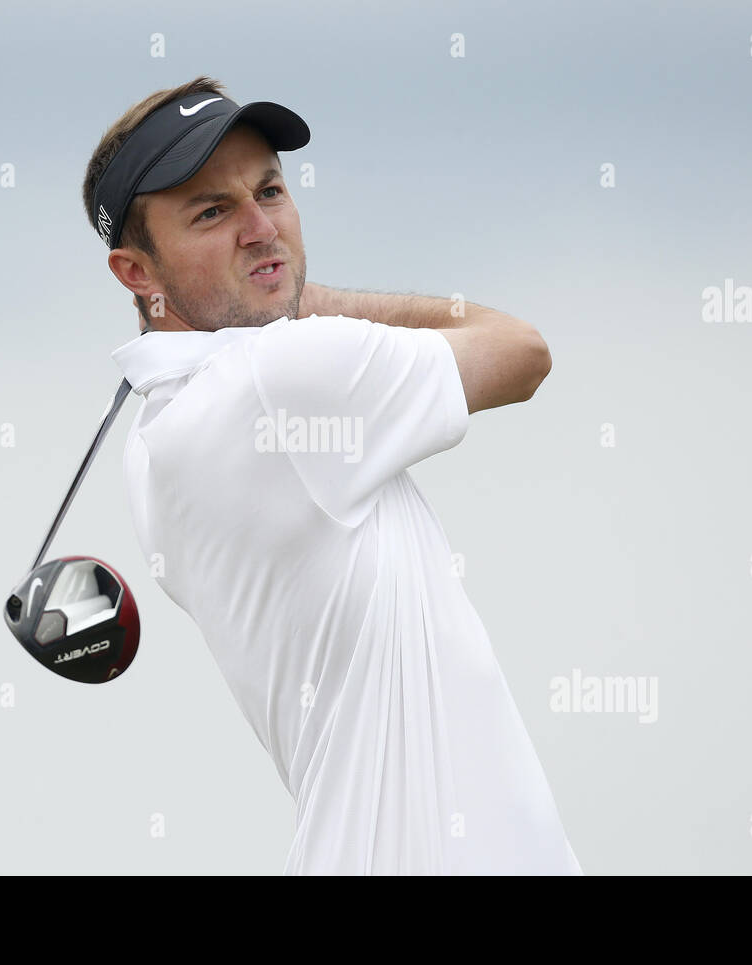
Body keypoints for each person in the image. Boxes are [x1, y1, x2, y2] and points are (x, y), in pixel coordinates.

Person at [83, 76, 582, 875]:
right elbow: (522, 352)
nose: (260, 227)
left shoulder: (152, 446)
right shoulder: (282, 376)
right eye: (212, 212)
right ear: (137, 272)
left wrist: (270, 298)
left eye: (270, 190)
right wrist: (304, 298)